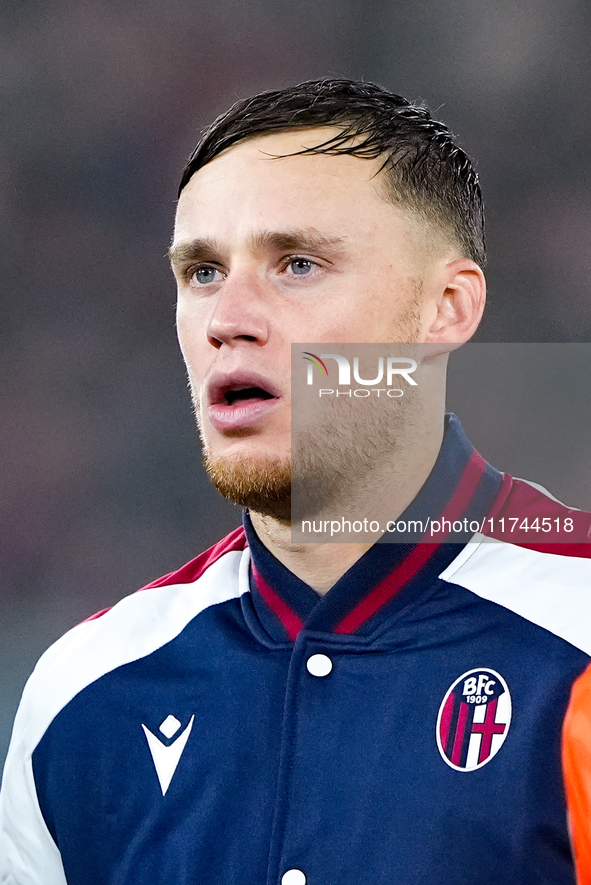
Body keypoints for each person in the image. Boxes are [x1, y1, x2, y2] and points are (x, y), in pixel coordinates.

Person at [2, 78, 591, 885]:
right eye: (202, 272)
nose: (226, 318)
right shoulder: (84, 693)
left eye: (298, 263)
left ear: (445, 308)